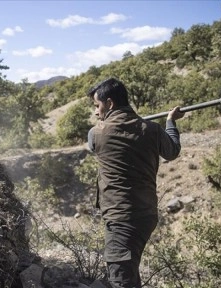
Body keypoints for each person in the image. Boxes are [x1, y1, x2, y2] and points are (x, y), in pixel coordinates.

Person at [87, 77, 184, 288]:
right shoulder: (152, 129)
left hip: (122, 218)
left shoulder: (98, 133)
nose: (96, 112)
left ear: (110, 103)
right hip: (146, 215)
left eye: (97, 106)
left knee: (120, 279)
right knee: (129, 273)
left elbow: (91, 145)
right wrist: (170, 122)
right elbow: (173, 151)